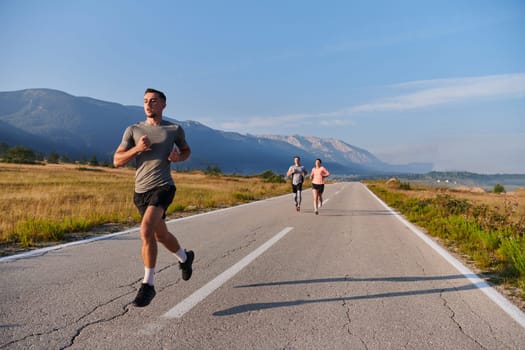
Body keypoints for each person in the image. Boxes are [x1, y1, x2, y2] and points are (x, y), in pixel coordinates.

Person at [113, 88, 194, 307]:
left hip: (163, 187)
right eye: (145, 101)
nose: (148, 104)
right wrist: (137, 149)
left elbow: (187, 151)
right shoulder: (133, 130)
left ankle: (148, 285)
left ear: (163, 105)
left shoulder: (174, 129)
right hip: (140, 191)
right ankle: (185, 258)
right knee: (161, 235)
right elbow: (117, 160)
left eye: (153, 101)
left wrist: (179, 158)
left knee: (145, 230)